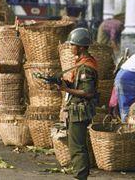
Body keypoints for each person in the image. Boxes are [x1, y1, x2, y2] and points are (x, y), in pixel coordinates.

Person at [59, 28, 98, 180]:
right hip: (78, 109)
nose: (70, 48)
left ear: (81, 47)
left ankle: (80, 176)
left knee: (77, 146)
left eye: (73, 45)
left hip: (80, 110)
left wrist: (65, 89)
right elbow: (79, 85)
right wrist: (65, 83)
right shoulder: (83, 63)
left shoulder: (86, 67)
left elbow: (88, 92)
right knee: (78, 144)